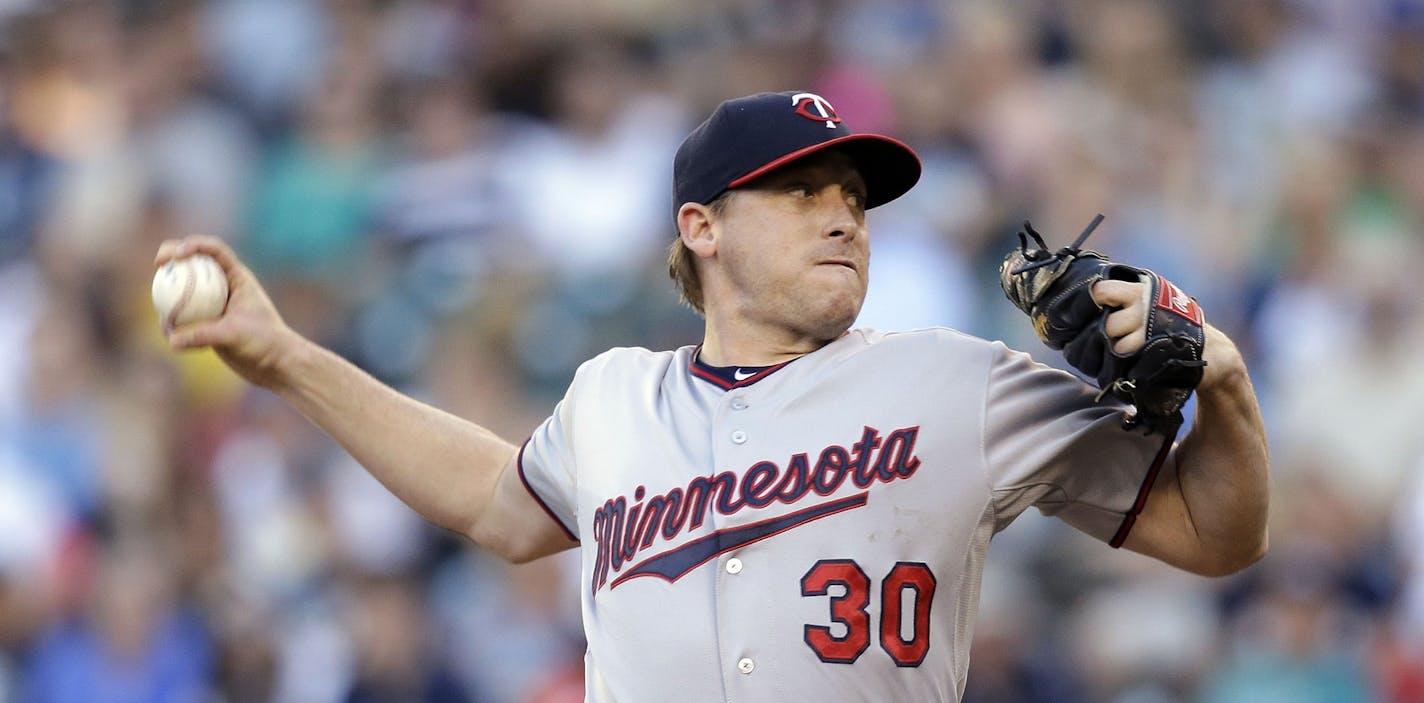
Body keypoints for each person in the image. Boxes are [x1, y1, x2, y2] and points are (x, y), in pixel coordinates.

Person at [155, 91, 1269, 702]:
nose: (842, 216)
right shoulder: (611, 398)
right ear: (702, 226)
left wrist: (1218, 377)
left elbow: (1213, 535)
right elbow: (495, 504)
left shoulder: (957, 381)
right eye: (800, 193)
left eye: (853, 198)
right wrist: (286, 356)